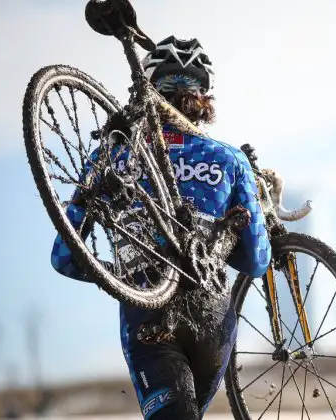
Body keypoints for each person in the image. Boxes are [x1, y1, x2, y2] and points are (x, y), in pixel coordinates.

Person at [50, 36, 271, 419]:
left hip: (149, 319)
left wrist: (121, 272)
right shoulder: (230, 159)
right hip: (214, 319)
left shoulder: (112, 154)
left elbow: (64, 257)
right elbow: (256, 262)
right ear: (204, 98)